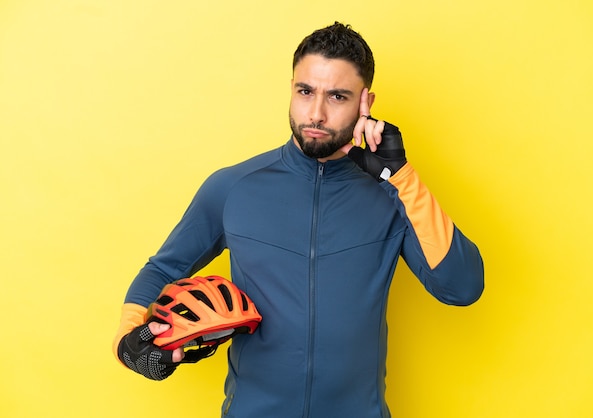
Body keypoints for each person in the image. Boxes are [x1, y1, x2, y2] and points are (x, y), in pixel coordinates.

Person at [113, 22, 484, 417]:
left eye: (337, 96)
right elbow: (163, 268)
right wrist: (130, 340)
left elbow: (461, 287)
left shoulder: (392, 195)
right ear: (291, 88)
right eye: (305, 92)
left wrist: (402, 176)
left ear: (365, 102)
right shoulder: (233, 187)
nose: (316, 114)